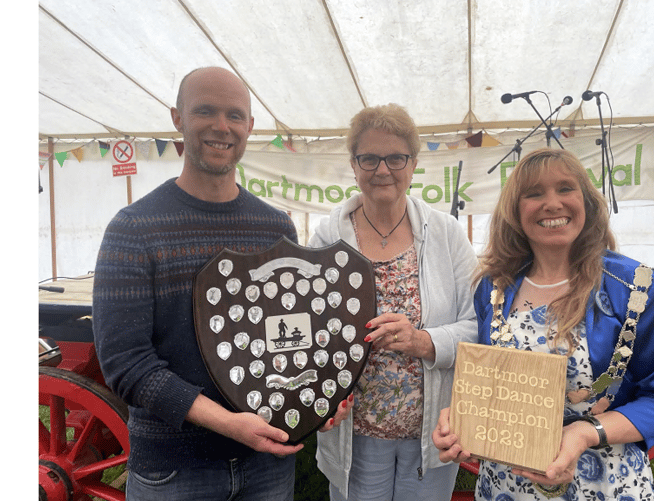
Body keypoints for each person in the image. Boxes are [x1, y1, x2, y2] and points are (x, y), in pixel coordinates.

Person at [92, 66, 350, 501]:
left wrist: (316, 392)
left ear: (250, 126)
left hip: (265, 465)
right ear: (177, 118)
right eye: (205, 112)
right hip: (175, 470)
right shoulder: (134, 229)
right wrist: (229, 424)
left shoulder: (274, 227)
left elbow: (287, 337)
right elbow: (127, 364)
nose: (221, 127)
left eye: (235, 115)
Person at [432, 148, 654, 500]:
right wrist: (461, 418)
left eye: (565, 189)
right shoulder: (494, 288)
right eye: (534, 193)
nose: (552, 203)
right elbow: (491, 384)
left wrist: (584, 433)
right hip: (506, 486)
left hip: (604, 484)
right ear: (515, 210)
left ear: (586, 201)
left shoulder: (637, 288)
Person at [308, 103, 479, 501]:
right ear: (354, 165)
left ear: (413, 163)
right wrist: (322, 393)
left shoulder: (446, 234)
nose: (382, 170)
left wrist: (423, 341)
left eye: (395, 158)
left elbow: (477, 326)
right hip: (357, 431)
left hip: (432, 429)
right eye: (369, 158)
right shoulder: (327, 238)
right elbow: (308, 329)